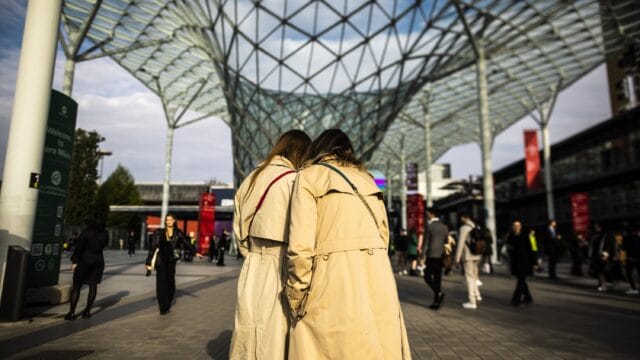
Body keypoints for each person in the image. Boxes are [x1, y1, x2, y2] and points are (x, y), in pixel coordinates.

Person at [286, 129, 411, 359]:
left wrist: (296, 294)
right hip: (378, 277)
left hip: (332, 277)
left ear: (319, 149)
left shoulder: (308, 176)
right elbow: (384, 236)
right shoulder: (368, 180)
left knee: (325, 345)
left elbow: (300, 247)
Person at [229, 129, 311, 360]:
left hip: (253, 261)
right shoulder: (295, 180)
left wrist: (252, 252)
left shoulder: (252, 177)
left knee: (247, 326)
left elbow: (238, 226)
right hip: (281, 261)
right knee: (273, 334)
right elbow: (301, 229)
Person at [145, 213, 202, 315]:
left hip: (171, 261)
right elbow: (153, 248)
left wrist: (195, 252)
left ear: (174, 221)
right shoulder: (159, 232)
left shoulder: (178, 233)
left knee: (170, 282)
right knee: (161, 283)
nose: (168, 221)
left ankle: (169, 299)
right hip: (160, 260)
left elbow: (186, 243)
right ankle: (163, 306)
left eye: (170, 220)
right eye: (167, 220)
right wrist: (148, 261)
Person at [65, 214, 109, 320]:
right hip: (98, 260)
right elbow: (104, 245)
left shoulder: (86, 232)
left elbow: (79, 248)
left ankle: (71, 313)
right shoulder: (105, 233)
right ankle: (87, 312)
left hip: (84, 260)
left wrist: (74, 261)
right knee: (93, 286)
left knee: (77, 286)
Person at [420, 208, 449, 309]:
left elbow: (426, 243)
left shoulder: (429, 226)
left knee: (427, 276)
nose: (427, 215)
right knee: (438, 279)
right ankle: (436, 302)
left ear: (432, 214)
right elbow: (446, 241)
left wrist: (422, 255)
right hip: (440, 256)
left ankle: (439, 293)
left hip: (431, 255)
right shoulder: (444, 226)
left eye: (428, 213)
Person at [455, 213, 482, 309]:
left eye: (461, 217)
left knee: (469, 278)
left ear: (464, 217)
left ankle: (472, 301)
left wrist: (457, 258)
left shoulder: (463, 228)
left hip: (468, 256)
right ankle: (477, 295)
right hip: (477, 254)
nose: (461, 219)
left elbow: (461, 243)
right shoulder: (475, 226)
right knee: (474, 277)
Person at [507, 220, 535, 306]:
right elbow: (509, 249)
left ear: (521, 226)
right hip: (515, 262)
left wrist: (534, 261)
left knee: (521, 280)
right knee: (521, 280)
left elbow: (531, 249)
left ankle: (516, 299)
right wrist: (510, 248)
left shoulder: (525, 236)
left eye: (518, 225)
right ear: (512, 227)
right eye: (515, 225)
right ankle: (528, 297)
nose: (516, 227)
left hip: (525, 262)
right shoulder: (510, 236)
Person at [622, 226, 640, 295]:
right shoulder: (634, 238)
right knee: (631, 273)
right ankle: (634, 288)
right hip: (635, 259)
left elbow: (623, 248)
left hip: (631, 258)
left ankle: (634, 288)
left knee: (629, 274)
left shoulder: (627, 238)